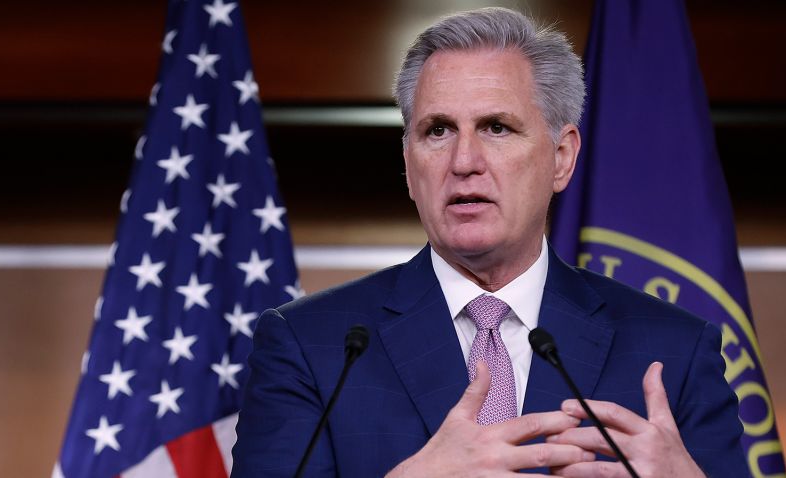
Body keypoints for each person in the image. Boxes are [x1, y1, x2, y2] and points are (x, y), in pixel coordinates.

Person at [231, 7, 748, 477]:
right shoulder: (311, 346)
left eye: (496, 127)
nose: (464, 161)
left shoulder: (674, 350)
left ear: (562, 157)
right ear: (409, 165)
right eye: (437, 130)